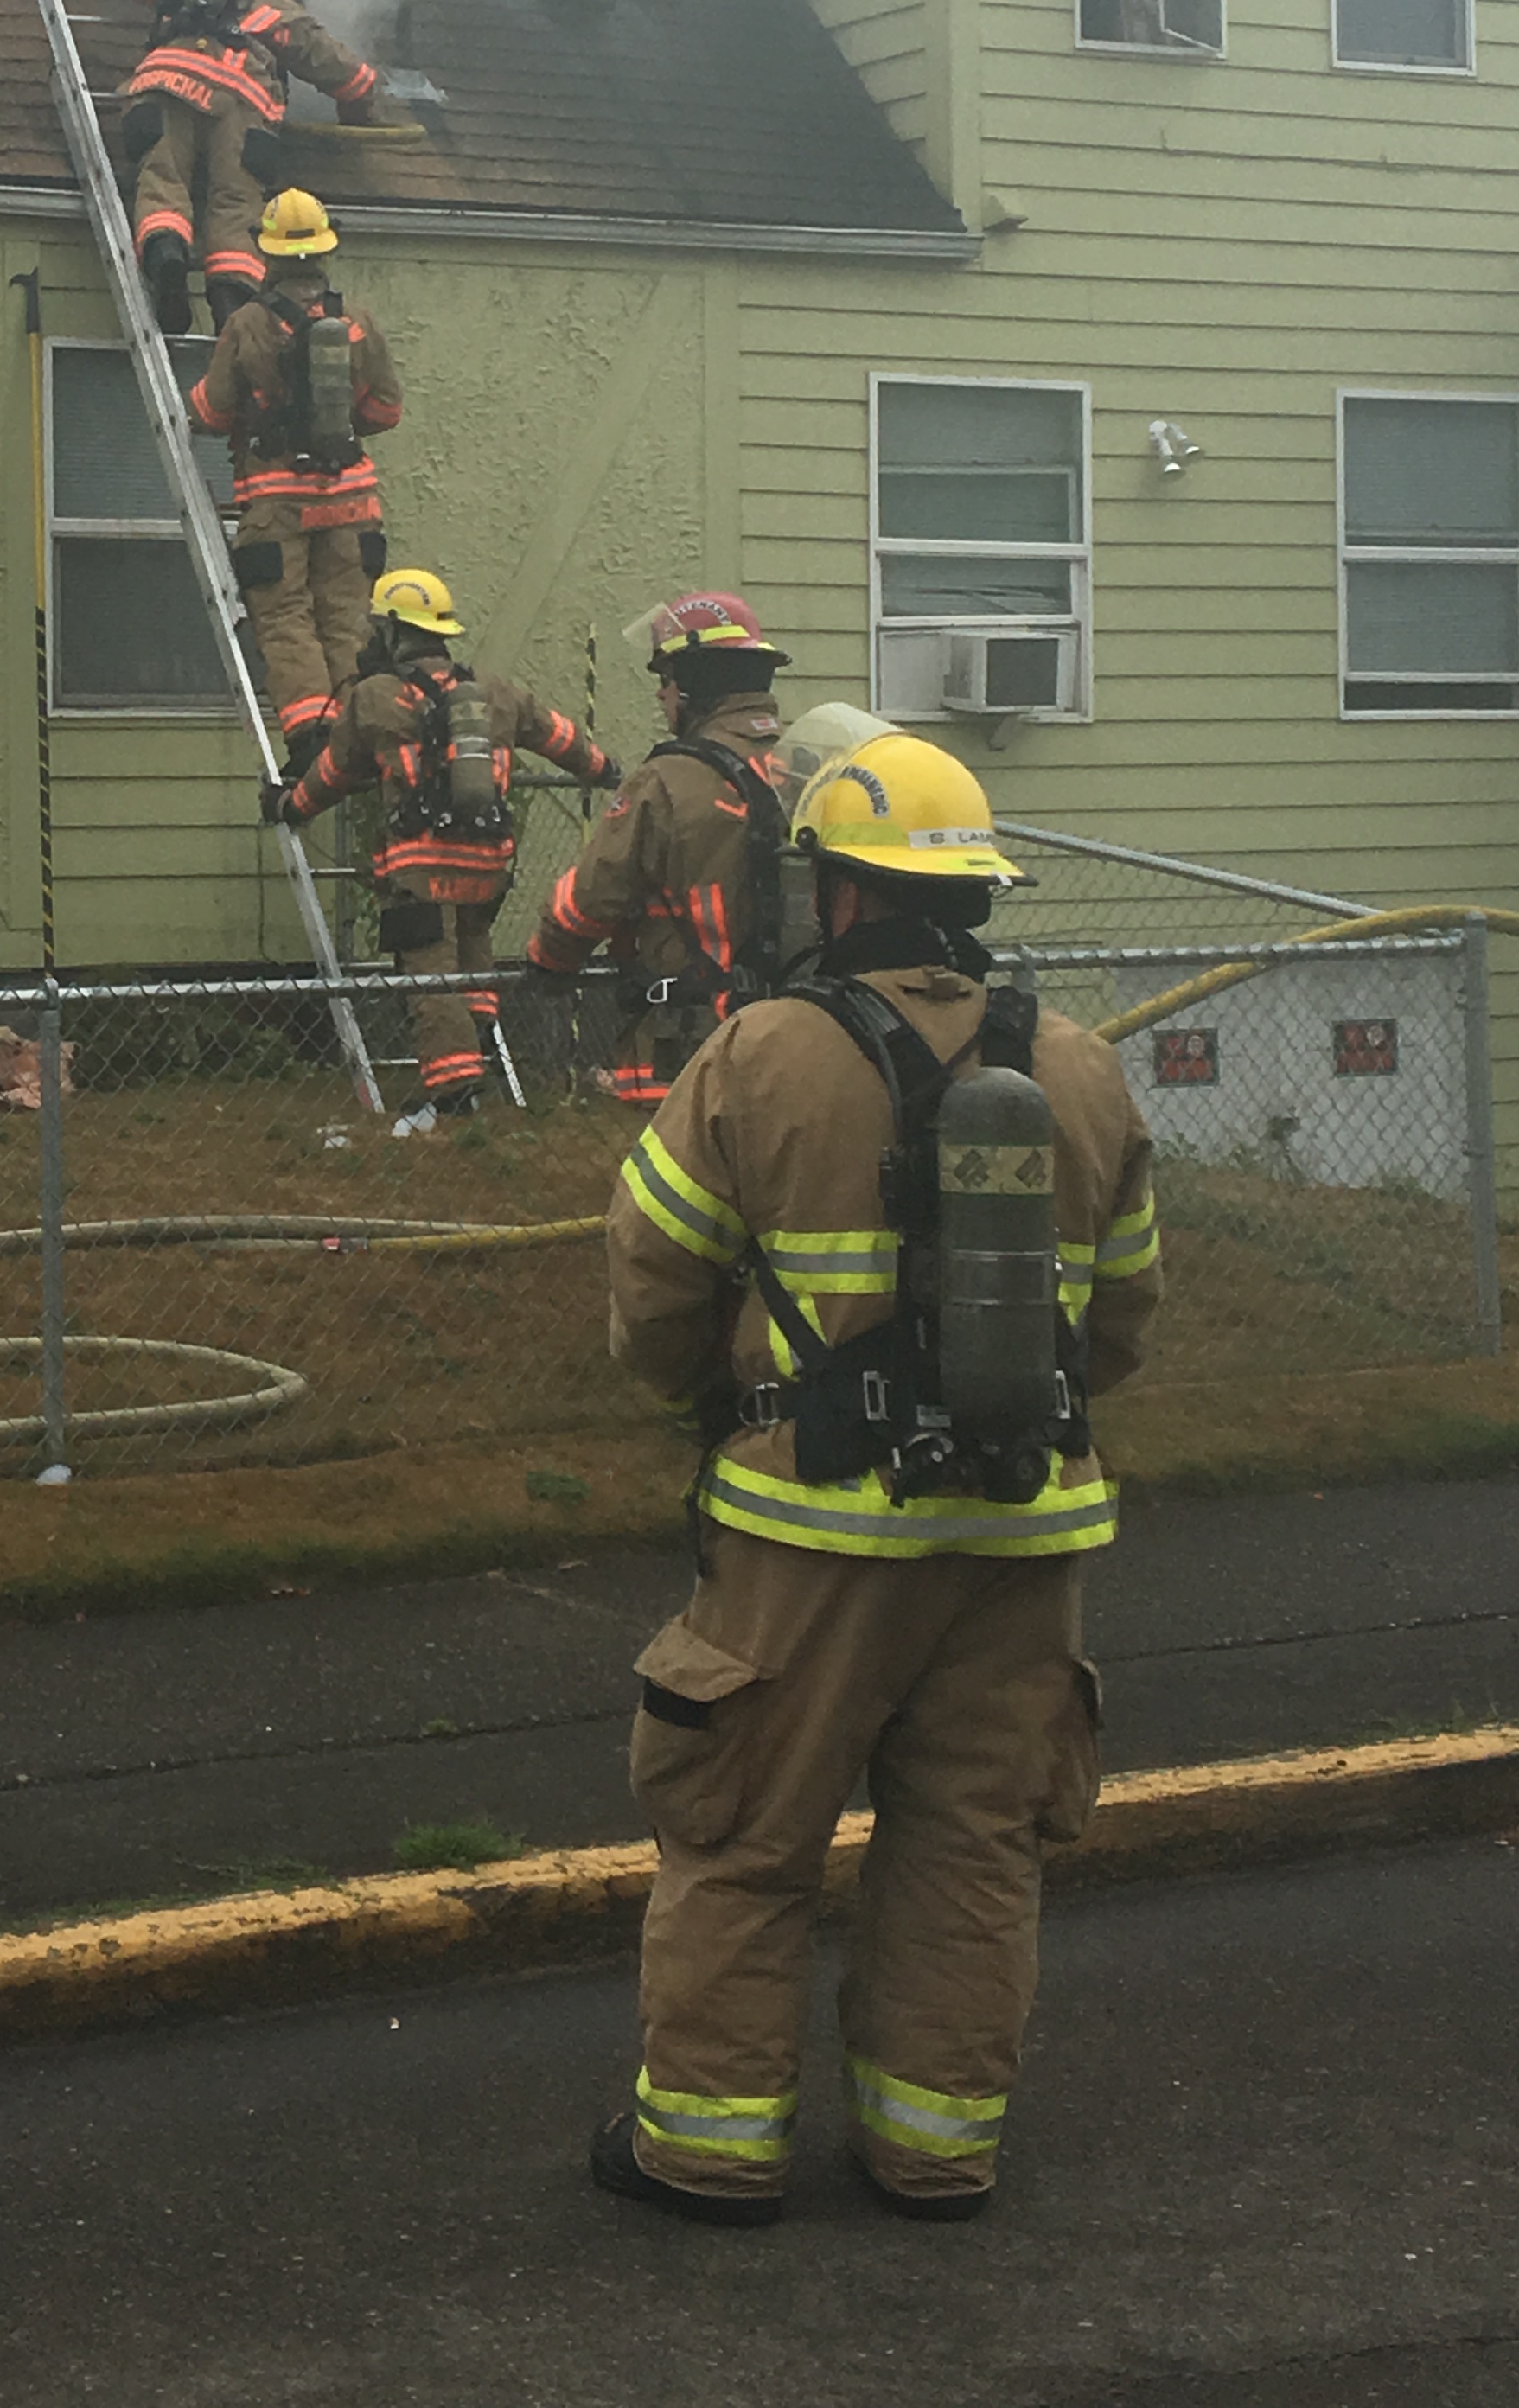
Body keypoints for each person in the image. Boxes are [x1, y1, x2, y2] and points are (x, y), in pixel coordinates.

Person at [594, 729, 1160, 2226]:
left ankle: (707, 2152)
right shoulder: (1080, 1070)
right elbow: (1118, 1322)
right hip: (1023, 1533)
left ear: (836, 892)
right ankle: (932, 2146)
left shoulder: (760, 1052)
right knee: (973, 1846)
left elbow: (651, 1285)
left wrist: (703, 1406)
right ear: (968, 894)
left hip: (805, 1537)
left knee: (739, 1834)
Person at [271, 568, 617, 1134]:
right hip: (487, 864)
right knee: (473, 962)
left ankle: (452, 1101)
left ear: (392, 631)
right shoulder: (495, 691)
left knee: (429, 981)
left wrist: (289, 806)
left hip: (422, 869)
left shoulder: (376, 698)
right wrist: (608, 772)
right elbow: (560, 738)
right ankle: (475, 1058)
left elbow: (330, 776)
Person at [526, 591, 791, 1111]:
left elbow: (589, 899)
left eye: (665, 681)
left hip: (685, 1049)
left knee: (669, 1190)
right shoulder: (805, 769)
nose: (661, 697)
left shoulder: (666, 781)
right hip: (793, 1040)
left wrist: (548, 964)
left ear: (697, 682)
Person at [187, 190, 401, 770]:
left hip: (277, 502)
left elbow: (210, 413)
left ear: (269, 252)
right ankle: (358, 743)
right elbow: (386, 411)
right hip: (353, 503)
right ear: (325, 250)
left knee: (286, 621)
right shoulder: (356, 319)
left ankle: (310, 741)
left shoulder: (248, 324)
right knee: (347, 620)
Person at [120, 0, 388, 335]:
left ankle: (166, 255)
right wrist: (357, 112)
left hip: (165, 81)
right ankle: (231, 308)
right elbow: (344, 70)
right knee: (236, 203)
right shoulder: (275, 4)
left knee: (163, 180)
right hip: (241, 101)